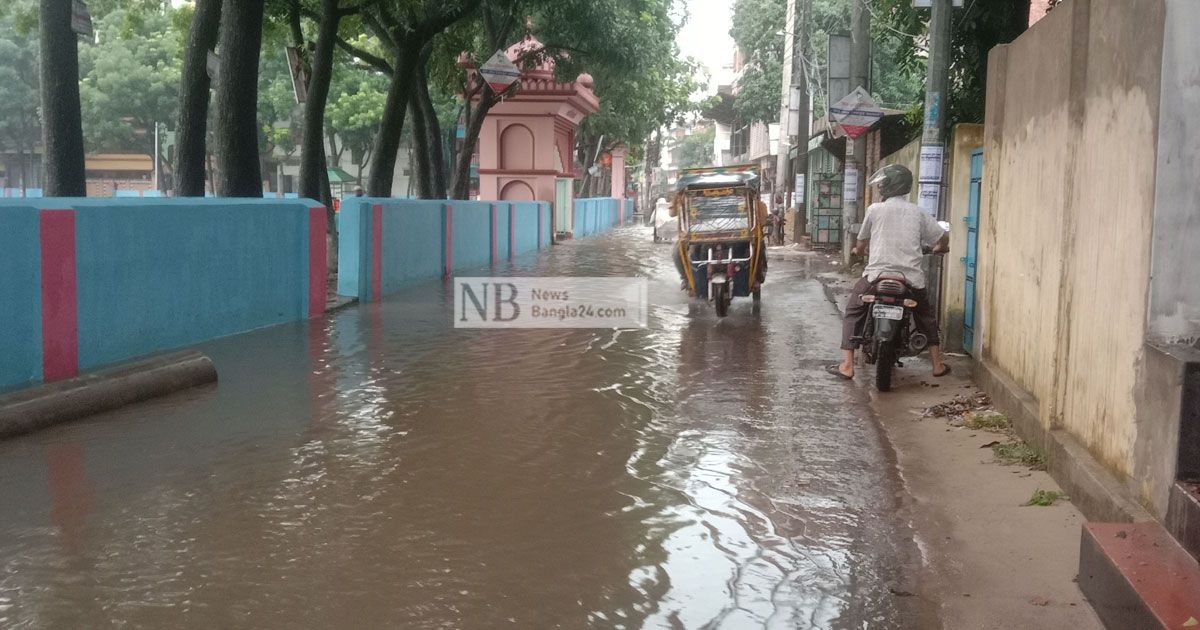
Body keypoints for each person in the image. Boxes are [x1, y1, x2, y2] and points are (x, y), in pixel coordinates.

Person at [827, 164, 950, 380]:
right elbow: (941, 237)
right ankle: (937, 365)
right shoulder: (918, 212)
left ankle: (847, 365)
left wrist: (859, 250)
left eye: (883, 183)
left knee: (854, 311)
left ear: (890, 186)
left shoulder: (874, 210)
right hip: (910, 279)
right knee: (926, 317)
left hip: (877, 277)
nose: (881, 186)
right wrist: (940, 248)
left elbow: (862, 240)